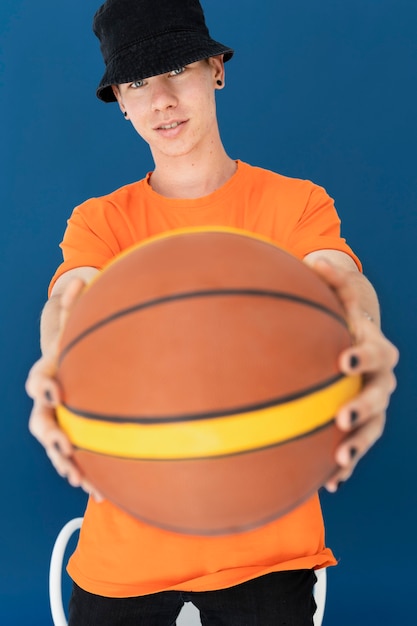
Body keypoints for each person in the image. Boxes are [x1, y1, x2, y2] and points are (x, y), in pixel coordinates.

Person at [26, 1, 399, 624]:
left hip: (266, 551)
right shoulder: (102, 220)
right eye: (138, 84)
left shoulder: (296, 204)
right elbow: (72, 293)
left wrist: (365, 336)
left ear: (216, 70)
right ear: (121, 101)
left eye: (176, 70)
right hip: (126, 554)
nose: (162, 100)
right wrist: (56, 359)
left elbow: (337, 278)